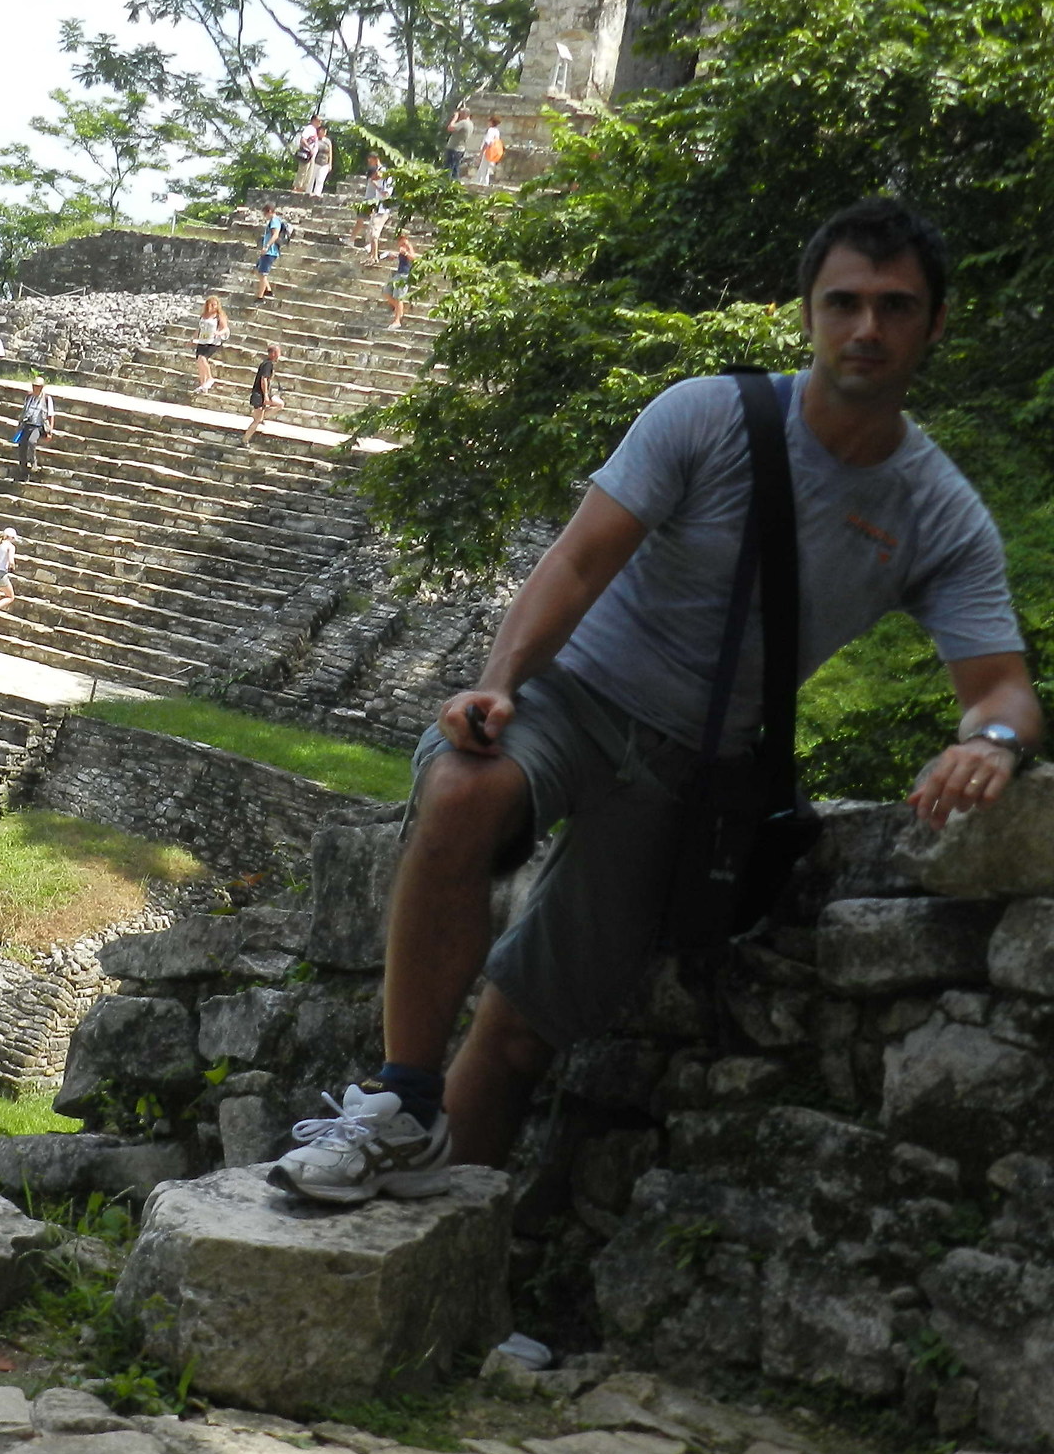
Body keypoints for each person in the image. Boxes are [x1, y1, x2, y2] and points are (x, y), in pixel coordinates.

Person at [268, 198, 1040, 1207]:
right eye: (843, 302)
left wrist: (988, 743)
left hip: (690, 766)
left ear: (934, 325)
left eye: (895, 308)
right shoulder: (707, 414)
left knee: (521, 1031)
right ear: (805, 313)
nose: (866, 329)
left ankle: (429, 1254)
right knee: (463, 788)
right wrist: (502, 679)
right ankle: (402, 1099)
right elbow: (581, 561)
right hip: (576, 694)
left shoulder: (935, 509)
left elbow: (1004, 687)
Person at [13, 379, 56, 477]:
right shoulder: (29, 397)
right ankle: (23, 468)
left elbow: (51, 415)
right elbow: (24, 411)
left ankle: (33, 463)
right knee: (22, 445)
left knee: (32, 442)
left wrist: (50, 432)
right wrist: (19, 425)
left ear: (41, 388)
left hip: (38, 426)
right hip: (27, 424)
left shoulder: (46, 399)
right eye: (34, 386)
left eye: (37, 386)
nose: (35, 388)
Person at [241, 347, 281, 445]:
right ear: (274, 353)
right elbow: (263, 379)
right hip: (259, 394)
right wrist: (266, 395)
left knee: (280, 404)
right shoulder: (268, 364)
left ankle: (263, 417)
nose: (279, 356)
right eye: (278, 353)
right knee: (257, 421)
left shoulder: (267, 363)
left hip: (263, 393)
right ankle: (245, 440)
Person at [192, 296, 230, 393]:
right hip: (202, 340)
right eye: (210, 304)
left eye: (214, 305)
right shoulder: (203, 316)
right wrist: (192, 338)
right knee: (199, 362)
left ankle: (210, 378)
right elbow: (199, 329)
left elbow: (225, 328)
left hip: (213, 341)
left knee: (202, 358)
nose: (212, 307)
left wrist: (218, 333)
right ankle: (203, 385)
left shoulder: (219, 316)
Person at [257, 206, 291, 300]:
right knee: (257, 270)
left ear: (270, 211)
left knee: (263, 274)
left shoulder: (275, 221)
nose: (264, 216)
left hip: (270, 252)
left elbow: (275, 235)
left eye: (265, 213)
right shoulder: (273, 221)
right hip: (268, 251)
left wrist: (266, 247)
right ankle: (268, 290)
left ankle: (260, 298)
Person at [295, 122, 335, 196]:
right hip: (315, 161)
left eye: (325, 131)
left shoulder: (328, 141)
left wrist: (330, 164)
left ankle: (317, 194)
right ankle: (308, 193)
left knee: (320, 180)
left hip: (324, 163)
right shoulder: (316, 139)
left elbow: (330, 153)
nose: (324, 132)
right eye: (322, 130)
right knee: (311, 179)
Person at [386, 234, 416, 329]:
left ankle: (397, 320)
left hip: (405, 275)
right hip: (398, 274)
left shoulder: (408, 246)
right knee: (386, 291)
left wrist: (405, 253)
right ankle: (400, 311)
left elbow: (414, 258)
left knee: (399, 297)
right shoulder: (402, 248)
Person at [474, 116, 505, 188]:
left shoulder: (490, 130)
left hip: (488, 151)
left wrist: (481, 153)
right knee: (483, 169)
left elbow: (487, 142)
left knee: (484, 170)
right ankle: (477, 182)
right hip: (493, 152)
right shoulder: (497, 131)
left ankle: (483, 185)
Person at [443, 107, 474, 178]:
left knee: (448, 169)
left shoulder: (463, 123)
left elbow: (450, 127)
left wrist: (455, 118)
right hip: (461, 149)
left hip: (454, 148)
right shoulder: (471, 124)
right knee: (455, 169)